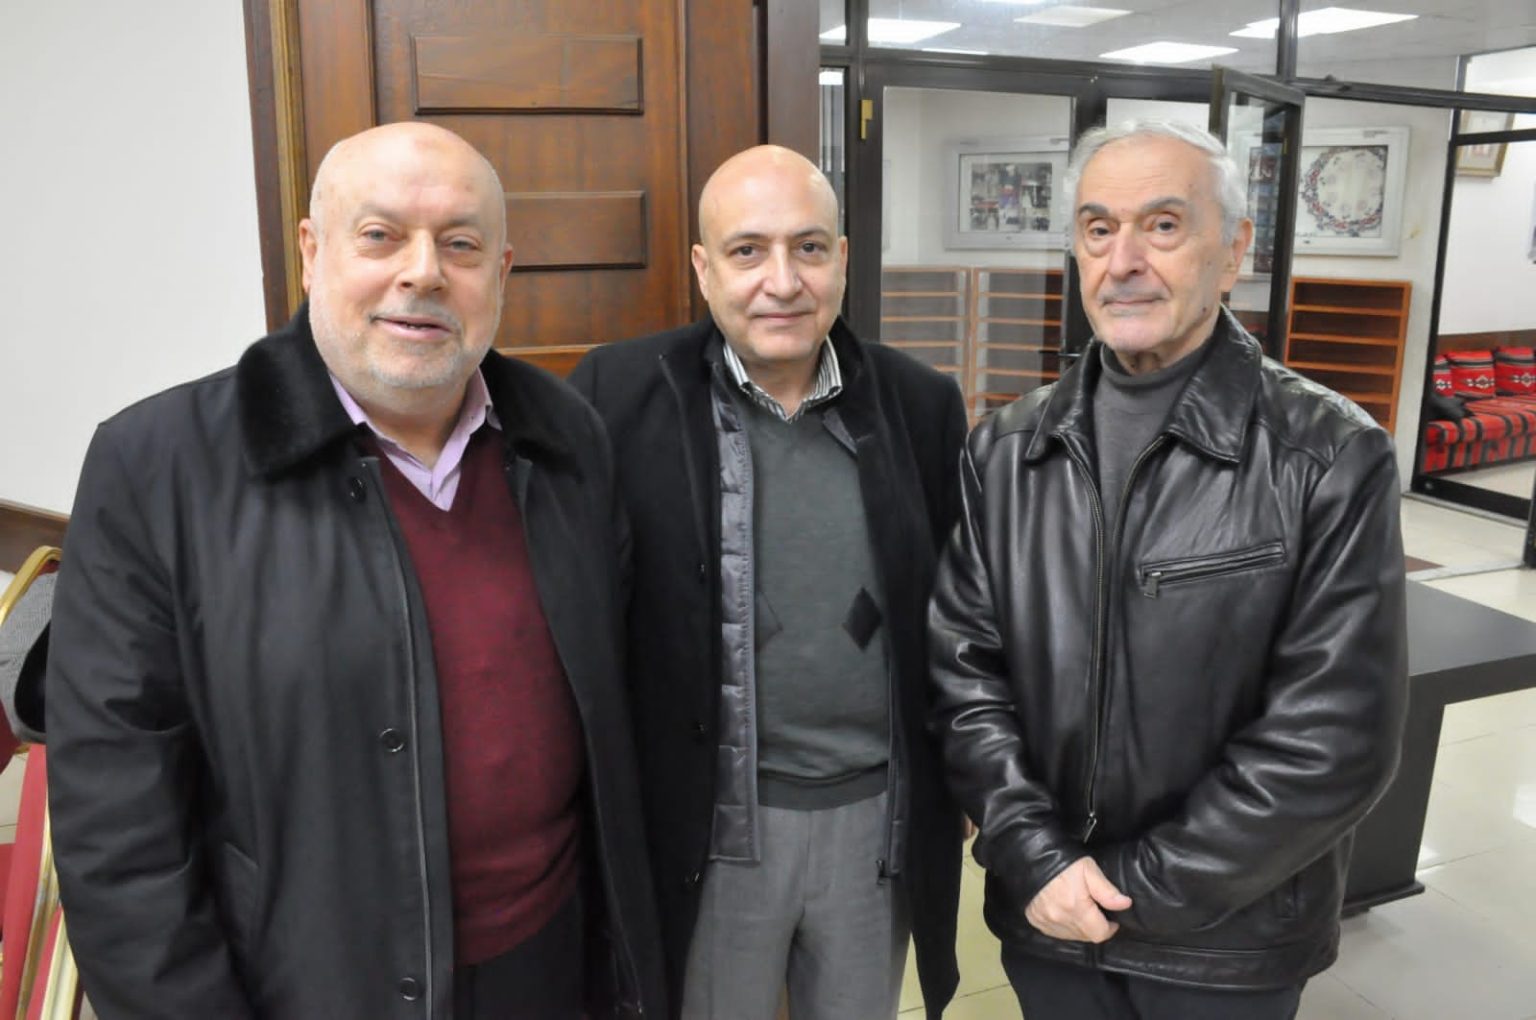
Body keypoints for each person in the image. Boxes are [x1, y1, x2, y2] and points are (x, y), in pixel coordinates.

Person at [46, 121, 665, 1019]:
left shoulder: (569, 440)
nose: (423, 272)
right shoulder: (158, 469)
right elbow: (118, 834)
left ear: (501, 272)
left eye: (461, 245)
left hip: (550, 966)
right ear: (312, 251)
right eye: (380, 236)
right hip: (310, 988)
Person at [928, 119, 1408, 1020]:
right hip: (1049, 920)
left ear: (1233, 253)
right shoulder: (1007, 450)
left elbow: (1334, 738)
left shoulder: (1327, 455)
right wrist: (1037, 859)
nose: (1124, 261)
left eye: (1162, 225)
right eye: (1098, 228)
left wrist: (1127, 890)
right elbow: (965, 679)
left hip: (1226, 946)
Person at [569, 145, 966, 1020]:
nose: (782, 282)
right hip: (708, 830)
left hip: (876, 828)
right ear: (704, 269)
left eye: (809, 248)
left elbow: (956, 614)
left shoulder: (922, 404)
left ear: (843, 260)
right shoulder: (617, 394)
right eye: (747, 251)